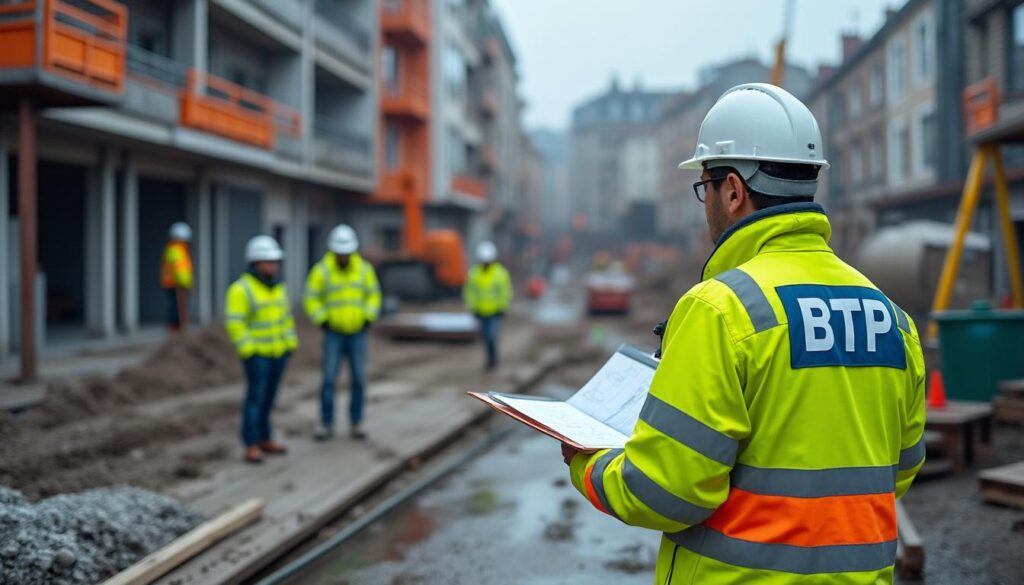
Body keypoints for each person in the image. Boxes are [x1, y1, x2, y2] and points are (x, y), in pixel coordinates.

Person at [562, 83, 926, 584]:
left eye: (704, 188)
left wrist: (587, 462)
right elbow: (897, 472)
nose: (705, 202)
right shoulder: (892, 319)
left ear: (732, 190)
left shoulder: (721, 311)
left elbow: (665, 491)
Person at [225, 236, 297, 464]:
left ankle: (265, 438)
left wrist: (290, 344)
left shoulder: (277, 289)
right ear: (256, 263)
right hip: (257, 356)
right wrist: (249, 350)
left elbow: (285, 319)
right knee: (255, 399)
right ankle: (251, 443)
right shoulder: (241, 290)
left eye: (276, 261)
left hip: (277, 353)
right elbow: (235, 323)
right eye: (270, 261)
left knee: (269, 398)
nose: (274, 265)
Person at [304, 224, 381, 441]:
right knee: (328, 380)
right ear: (333, 251)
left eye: (346, 253)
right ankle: (326, 423)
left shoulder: (364, 269)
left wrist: (368, 316)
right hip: (333, 334)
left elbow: (374, 295)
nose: (343, 257)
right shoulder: (322, 270)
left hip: (357, 333)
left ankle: (356, 422)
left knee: (358, 379)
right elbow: (311, 297)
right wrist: (322, 319)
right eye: (340, 253)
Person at [463, 241, 513, 371]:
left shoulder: (500, 273)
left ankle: (492, 360)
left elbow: (505, 292)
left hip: (495, 312)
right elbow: (470, 292)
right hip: (481, 312)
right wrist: (473, 307)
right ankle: (489, 359)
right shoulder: (474, 273)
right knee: (485, 337)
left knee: (491, 336)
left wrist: (503, 308)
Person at [161, 222, 193, 332]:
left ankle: (176, 329)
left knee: (174, 308)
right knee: (176, 310)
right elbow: (180, 269)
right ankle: (176, 331)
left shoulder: (174, 248)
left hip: (173, 283)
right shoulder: (177, 249)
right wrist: (184, 282)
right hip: (176, 284)